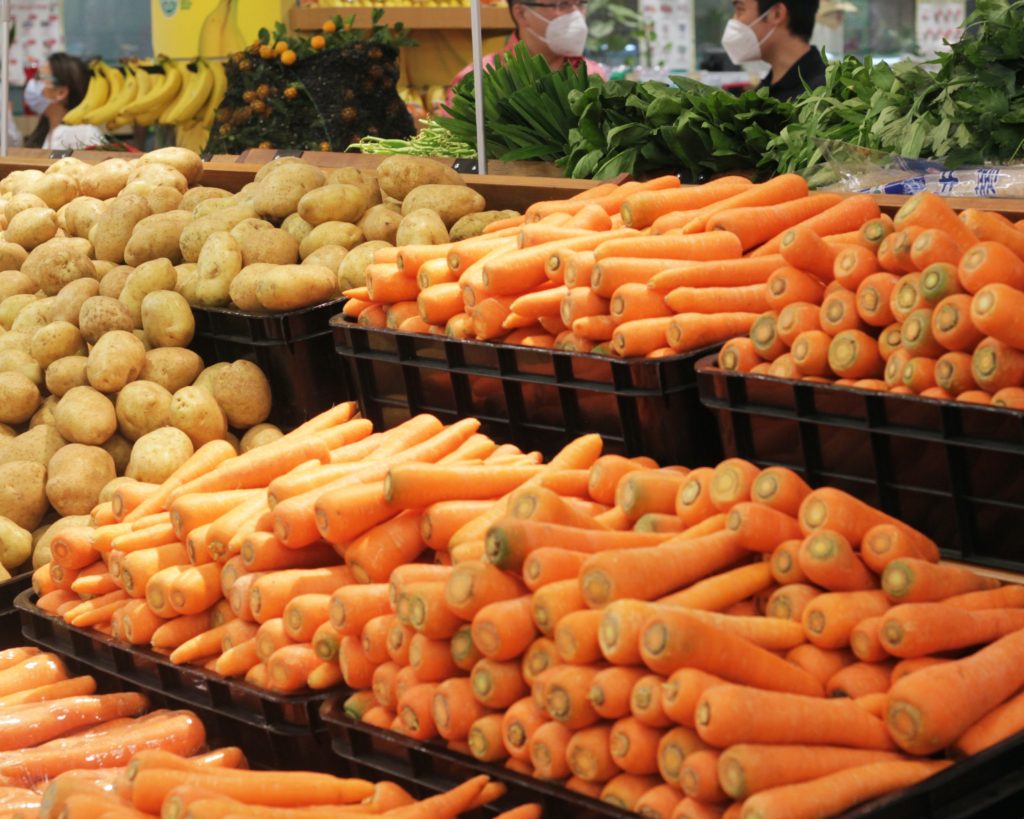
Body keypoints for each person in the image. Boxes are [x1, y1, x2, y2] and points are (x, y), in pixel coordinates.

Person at [447, 0, 607, 105]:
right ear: (521, 13)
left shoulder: (592, 75)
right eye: (562, 4)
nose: (576, 14)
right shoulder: (477, 80)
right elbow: (452, 150)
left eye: (580, 3)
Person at [722, 0, 827, 102]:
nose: (734, 19)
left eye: (740, 9)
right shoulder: (763, 93)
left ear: (777, 14)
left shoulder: (822, 99)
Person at [23, 53, 104, 150]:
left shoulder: (84, 134)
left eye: (39, 77)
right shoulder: (46, 131)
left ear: (61, 92)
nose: (32, 83)